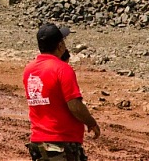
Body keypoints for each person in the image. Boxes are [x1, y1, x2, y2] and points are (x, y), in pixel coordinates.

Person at [22, 23, 100, 161]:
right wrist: (91, 122)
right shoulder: (62, 69)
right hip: (61, 144)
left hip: (38, 144)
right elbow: (74, 105)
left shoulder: (29, 70)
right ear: (60, 46)